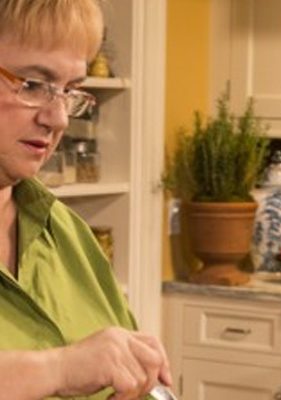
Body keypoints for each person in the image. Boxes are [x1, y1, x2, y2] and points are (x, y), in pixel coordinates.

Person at [0, 1, 171, 399]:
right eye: (32, 84)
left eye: (70, 91)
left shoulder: (67, 232)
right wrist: (59, 369)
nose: (59, 118)